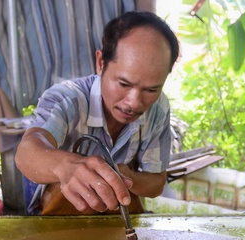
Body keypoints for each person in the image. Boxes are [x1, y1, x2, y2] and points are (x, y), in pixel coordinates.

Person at [15, 11, 180, 215]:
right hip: (58, 218)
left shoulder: (158, 108)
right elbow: (26, 153)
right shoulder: (67, 98)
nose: (134, 102)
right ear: (101, 63)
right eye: (124, 84)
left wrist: (126, 177)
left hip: (116, 219)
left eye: (151, 90)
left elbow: (156, 183)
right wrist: (69, 167)